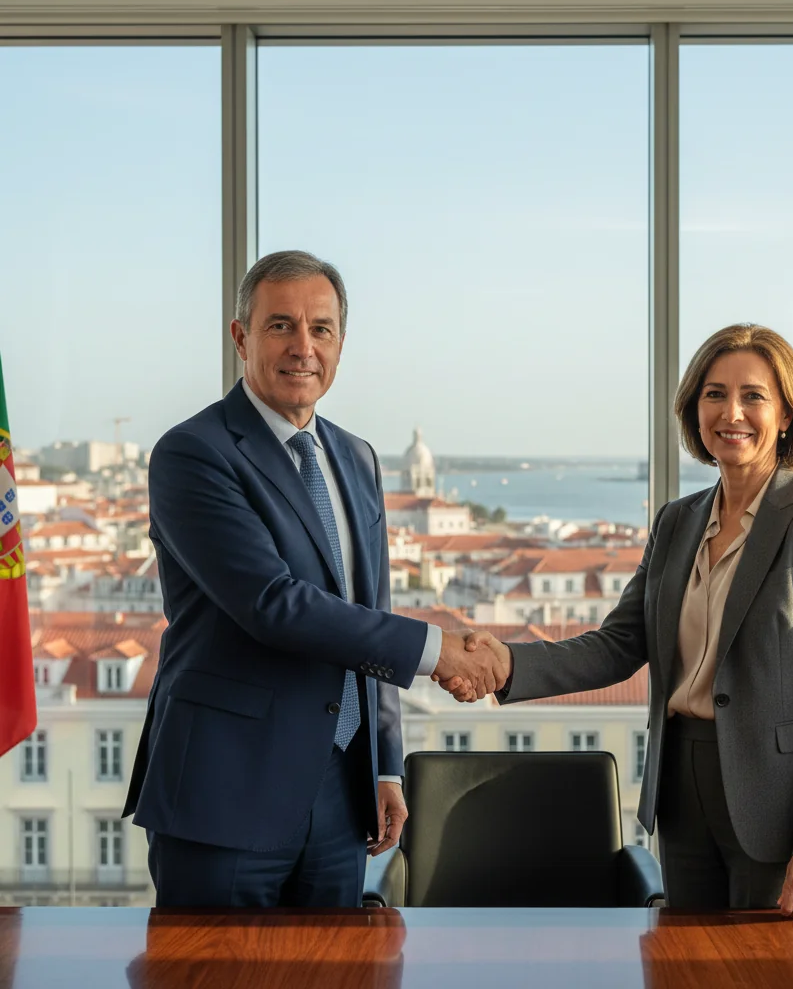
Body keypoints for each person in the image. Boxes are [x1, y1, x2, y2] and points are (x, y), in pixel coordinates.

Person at [441, 324, 793, 918]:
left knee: (771, 972)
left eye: (753, 396)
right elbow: (620, 644)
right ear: (694, 410)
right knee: (681, 968)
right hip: (680, 792)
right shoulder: (678, 521)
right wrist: (507, 662)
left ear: (786, 415)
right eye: (714, 393)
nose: (732, 412)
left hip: (778, 804)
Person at [123, 250, 508, 907]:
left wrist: (385, 763)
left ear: (340, 343)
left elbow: (370, 606)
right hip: (227, 791)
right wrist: (438, 650)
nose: (303, 347)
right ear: (241, 336)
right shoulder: (193, 453)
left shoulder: (355, 457)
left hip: (340, 793)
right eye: (280, 326)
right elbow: (274, 604)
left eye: (320, 329)